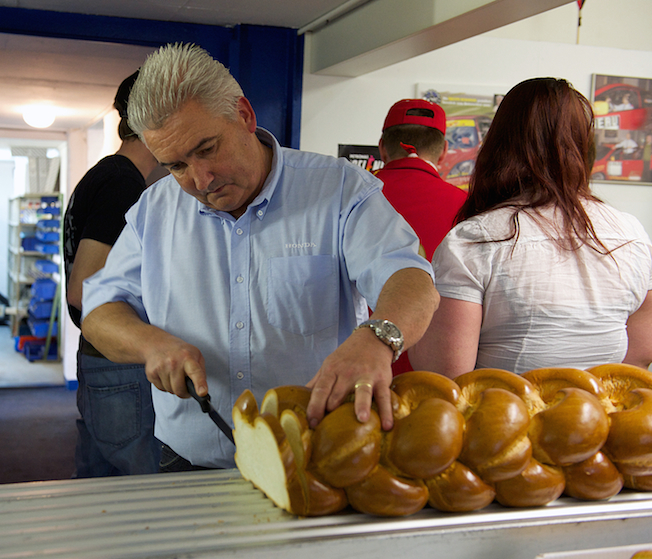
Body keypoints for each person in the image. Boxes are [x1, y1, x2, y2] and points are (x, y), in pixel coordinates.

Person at [81, 43, 438, 471]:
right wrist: (150, 343)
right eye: (175, 165)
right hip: (189, 462)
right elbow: (99, 310)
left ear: (245, 116)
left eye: (207, 148)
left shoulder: (340, 191)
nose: (200, 179)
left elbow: (410, 279)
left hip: (314, 458)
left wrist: (377, 339)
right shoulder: (153, 211)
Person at [409, 77, 652, 378]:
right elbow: (639, 359)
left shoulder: (473, 241)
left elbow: (446, 373)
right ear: (583, 146)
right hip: (599, 419)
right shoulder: (632, 233)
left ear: (498, 143)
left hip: (502, 421)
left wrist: (414, 290)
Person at [63, 69, 161, 477]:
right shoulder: (122, 183)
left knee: (101, 485)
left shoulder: (106, 174)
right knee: (139, 498)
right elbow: (84, 291)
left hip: (102, 361)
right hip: (118, 363)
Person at [373, 99, 466, 375]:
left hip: (357, 369)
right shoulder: (470, 207)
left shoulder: (349, 200)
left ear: (382, 147)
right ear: (444, 151)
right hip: (437, 378)